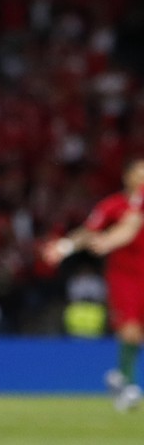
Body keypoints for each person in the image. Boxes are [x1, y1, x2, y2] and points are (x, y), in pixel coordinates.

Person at [44, 158, 144, 411]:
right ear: (127, 176)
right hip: (126, 276)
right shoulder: (112, 206)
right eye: (139, 173)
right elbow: (91, 231)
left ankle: (120, 375)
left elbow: (130, 228)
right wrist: (64, 247)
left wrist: (108, 241)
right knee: (130, 328)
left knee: (137, 333)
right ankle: (129, 387)